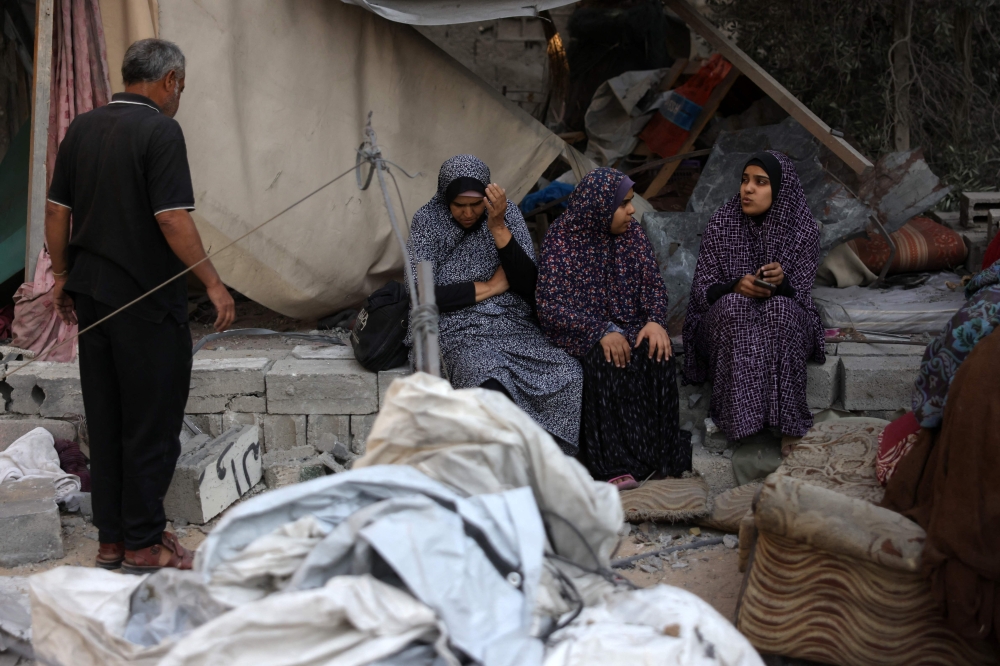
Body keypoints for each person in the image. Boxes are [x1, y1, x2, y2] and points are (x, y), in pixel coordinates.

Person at [45, 39, 235, 573]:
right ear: (170, 79)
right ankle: (145, 544)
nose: (180, 96)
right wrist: (215, 285)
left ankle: (113, 540)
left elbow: (57, 212)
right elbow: (172, 218)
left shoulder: (83, 127)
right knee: (149, 424)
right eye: (182, 86)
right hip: (147, 304)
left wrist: (61, 276)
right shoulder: (161, 131)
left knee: (106, 419)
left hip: (93, 298)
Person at [407, 154, 583, 451]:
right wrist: (490, 286)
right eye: (459, 206)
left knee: (567, 372)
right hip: (455, 326)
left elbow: (528, 285)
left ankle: (549, 459)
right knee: (487, 379)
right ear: (445, 198)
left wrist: (498, 225)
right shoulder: (427, 220)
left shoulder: (507, 214)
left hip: (510, 323)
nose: (468, 213)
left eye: (475, 205)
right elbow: (422, 295)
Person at [537, 167, 685, 490]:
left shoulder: (632, 235)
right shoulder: (563, 239)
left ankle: (658, 457)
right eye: (623, 204)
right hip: (582, 332)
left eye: (631, 202)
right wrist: (601, 330)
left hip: (631, 325)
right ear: (599, 207)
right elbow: (550, 306)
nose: (632, 211)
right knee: (607, 361)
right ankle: (612, 465)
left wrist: (655, 321)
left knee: (657, 351)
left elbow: (652, 287)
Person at [683, 150, 824, 442]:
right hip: (727, 321)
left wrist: (781, 284)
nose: (748, 188)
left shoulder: (803, 229)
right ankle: (736, 422)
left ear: (780, 189)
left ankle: (790, 428)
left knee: (780, 311)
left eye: (760, 182)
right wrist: (733, 286)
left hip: (784, 320)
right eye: (745, 180)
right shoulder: (722, 223)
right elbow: (701, 293)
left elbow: (801, 294)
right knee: (735, 307)